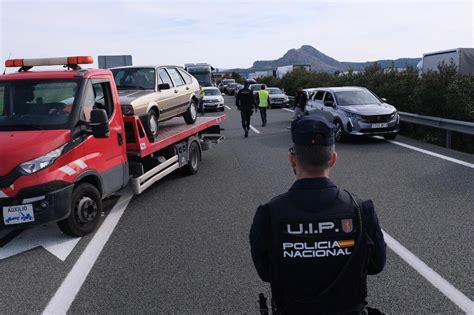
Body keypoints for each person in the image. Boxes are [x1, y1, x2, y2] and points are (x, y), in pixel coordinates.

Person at [250, 115, 386, 314]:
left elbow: (266, 273)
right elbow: (376, 265)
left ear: (292, 159)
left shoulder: (269, 213)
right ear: (333, 159)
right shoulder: (360, 209)